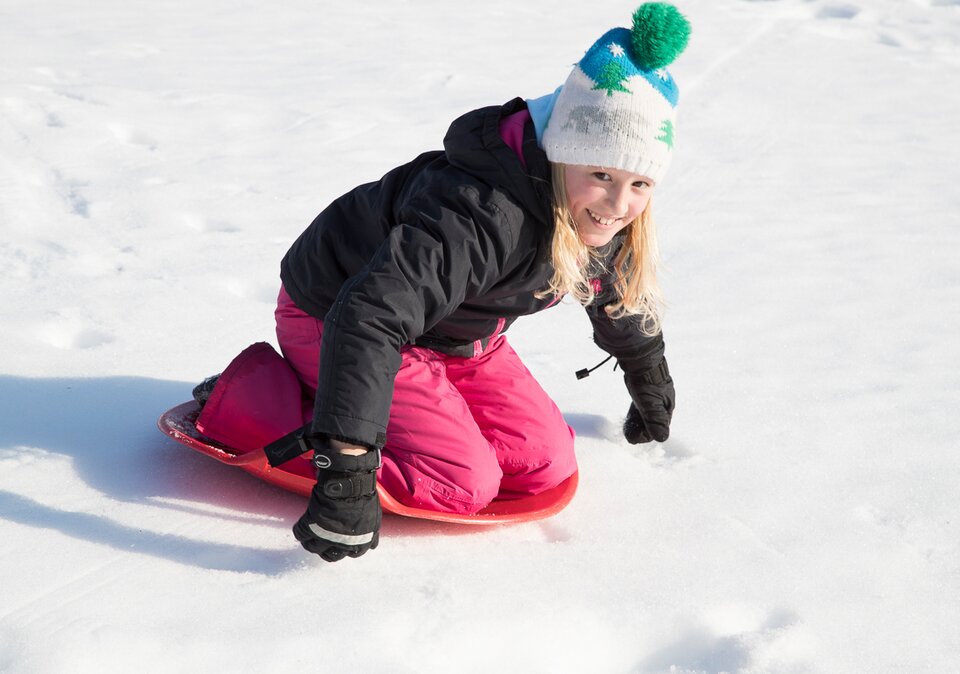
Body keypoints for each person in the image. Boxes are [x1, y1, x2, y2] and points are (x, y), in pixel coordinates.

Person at [194, 3, 690, 562]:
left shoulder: (598, 217)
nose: (618, 204)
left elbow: (614, 290)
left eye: (640, 183)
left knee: (541, 463)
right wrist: (349, 469)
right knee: (462, 483)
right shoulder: (479, 214)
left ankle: (346, 400)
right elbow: (370, 315)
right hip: (336, 314)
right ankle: (251, 400)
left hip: (455, 335)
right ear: (563, 155)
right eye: (601, 174)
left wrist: (646, 372)